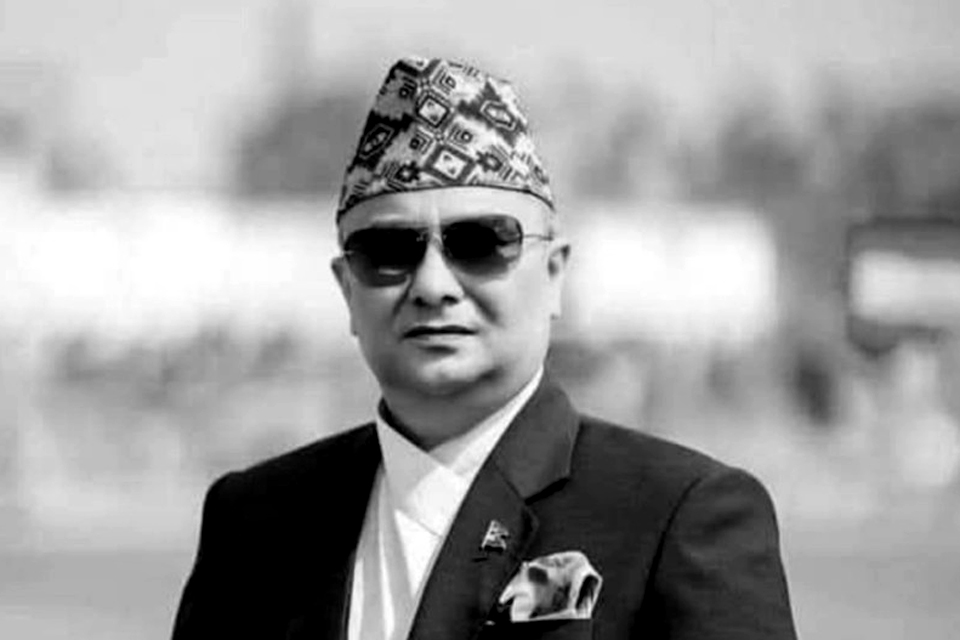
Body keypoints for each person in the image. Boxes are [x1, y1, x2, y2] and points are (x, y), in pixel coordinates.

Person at [172, 56, 797, 640]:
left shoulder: (676, 518)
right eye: (388, 251)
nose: (433, 285)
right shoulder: (254, 525)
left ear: (554, 274)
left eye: (479, 243)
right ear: (346, 289)